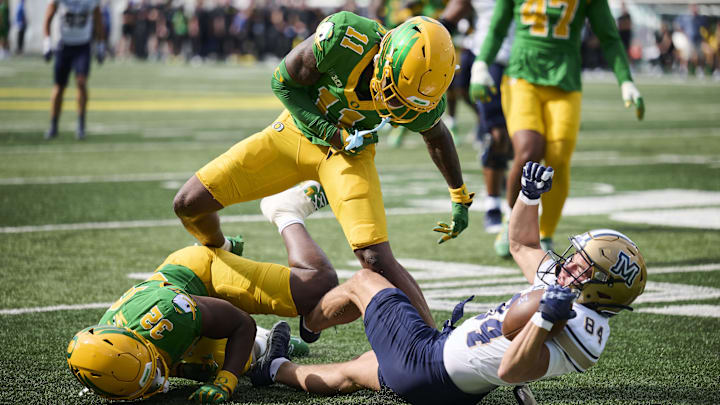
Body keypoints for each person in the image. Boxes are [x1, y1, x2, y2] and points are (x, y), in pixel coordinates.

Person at [249, 161, 647, 405]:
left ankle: (310, 324)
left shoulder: (579, 328)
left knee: (366, 280)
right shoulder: (569, 292)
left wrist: (542, 321)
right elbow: (522, 243)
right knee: (355, 371)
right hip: (451, 391)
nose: (568, 262)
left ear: (598, 286)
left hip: (430, 362)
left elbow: (512, 370)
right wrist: (528, 197)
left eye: (580, 264)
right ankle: (275, 369)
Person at [173, 12, 474, 331]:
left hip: (349, 156)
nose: (395, 109)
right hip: (294, 133)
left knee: (375, 258)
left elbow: (436, 135)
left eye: (406, 104)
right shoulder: (346, 39)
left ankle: (435, 346)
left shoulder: (416, 94)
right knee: (188, 203)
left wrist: (459, 195)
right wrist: (334, 135)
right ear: (385, 59)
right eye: (393, 93)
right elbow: (283, 84)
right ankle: (221, 248)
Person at [66, 181, 336, 403]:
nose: (159, 378)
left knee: (316, 287)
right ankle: (270, 342)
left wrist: (226, 382)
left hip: (201, 274)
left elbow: (241, 323)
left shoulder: (171, 313)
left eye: (154, 371)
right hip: (185, 316)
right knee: (217, 364)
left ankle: (285, 212)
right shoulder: (104, 351)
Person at [469, 0, 645, 257]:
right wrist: (481, 63)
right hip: (522, 74)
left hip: (565, 80)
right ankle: (511, 221)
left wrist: (626, 81)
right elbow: (497, 28)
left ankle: (545, 233)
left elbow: (608, 36)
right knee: (528, 151)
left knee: (558, 159)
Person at [442, 0, 514, 235]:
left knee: (527, 141)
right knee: (496, 135)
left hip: (524, 61)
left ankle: (517, 208)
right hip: (484, 57)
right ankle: (493, 205)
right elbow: (455, 11)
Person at [43, 0, 106, 140]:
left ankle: (81, 125)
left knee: (81, 83)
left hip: (82, 46)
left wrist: (101, 45)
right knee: (59, 87)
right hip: (63, 45)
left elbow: (98, 20)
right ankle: (54, 125)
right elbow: (48, 17)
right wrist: (46, 43)